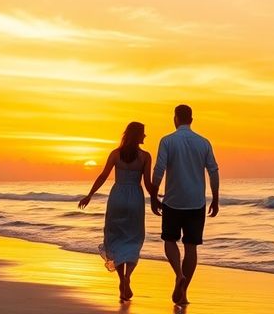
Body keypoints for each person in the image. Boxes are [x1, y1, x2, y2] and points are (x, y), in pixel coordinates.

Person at [79, 121, 156, 303]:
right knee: (134, 239)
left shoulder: (115, 154)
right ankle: (128, 276)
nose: (145, 136)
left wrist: (90, 195)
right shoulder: (145, 156)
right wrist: (157, 197)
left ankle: (122, 280)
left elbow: (103, 176)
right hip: (135, 199)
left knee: (115, 238)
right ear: (137, 136)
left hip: (117, 197)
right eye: (143, 133)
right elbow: (147, 183)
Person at [151, 104, 219, 306]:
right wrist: (215, 198)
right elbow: (213, 171)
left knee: (169, 240)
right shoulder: (203, 142)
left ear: (175, 118)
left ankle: (179, 274)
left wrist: (154, 196)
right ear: (192, 119)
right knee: (191, 247)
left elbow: (159, 169)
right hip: (196, 203)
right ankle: (184, 291)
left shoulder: (167, 141)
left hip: (173, 202)